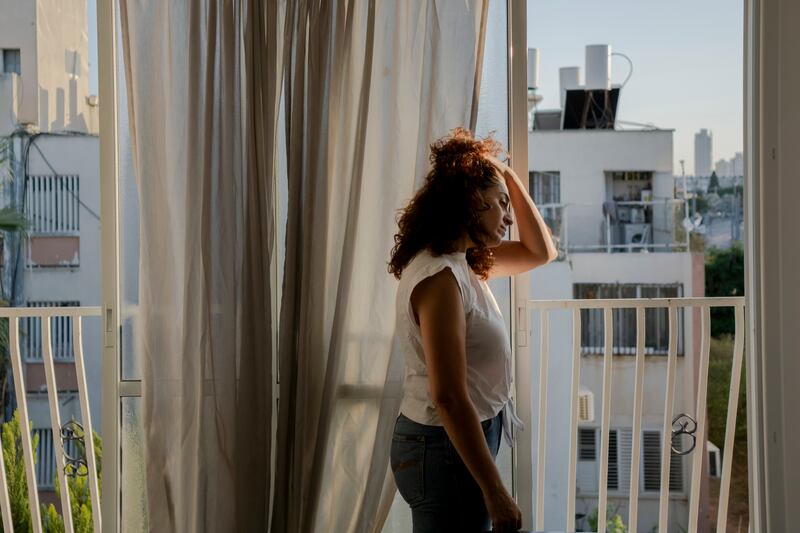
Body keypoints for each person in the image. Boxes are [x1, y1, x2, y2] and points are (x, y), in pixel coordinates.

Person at [387, 128, 557, 533]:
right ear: (470, 202)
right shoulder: (440, 276)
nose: (509, 215)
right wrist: (495, 491)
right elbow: (447, 396)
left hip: (455, 442)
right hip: (441, 448)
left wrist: (508, 178)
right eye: (500, 203)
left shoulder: (463, 261)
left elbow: (540, 251)